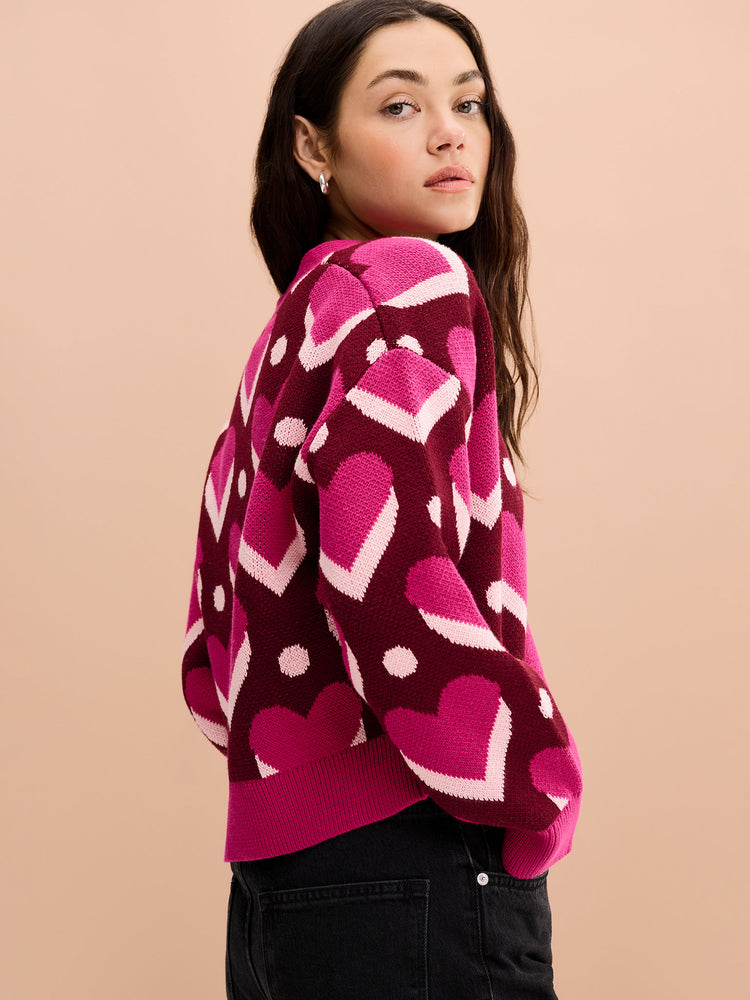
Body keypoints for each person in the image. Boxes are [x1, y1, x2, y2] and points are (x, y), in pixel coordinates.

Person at [181, 2, 583, 997]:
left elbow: (210, 638)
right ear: (313, 146)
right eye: (401, 105)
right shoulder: (409, 281)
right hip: (417, 855)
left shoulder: (300, 320)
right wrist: (533, 782)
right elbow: (390, 572)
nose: (451, 133)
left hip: (279, 881)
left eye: (469, 103)